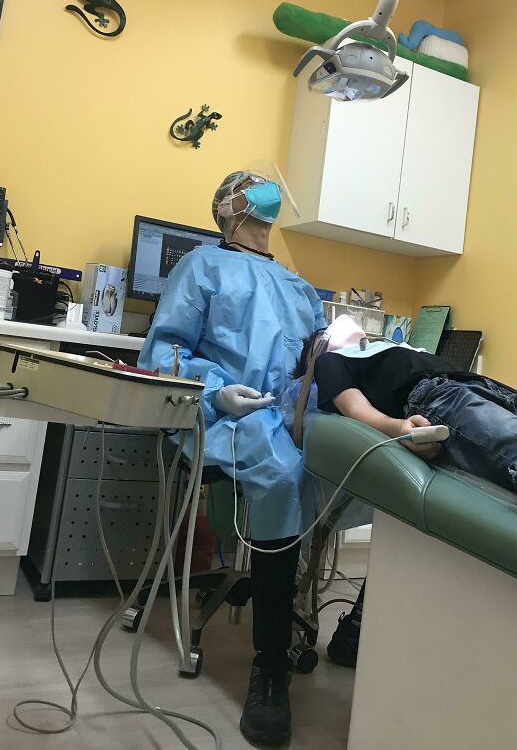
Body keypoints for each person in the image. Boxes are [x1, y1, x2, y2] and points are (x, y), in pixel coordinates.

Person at [292, 316, 517, 668]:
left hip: (499, 394)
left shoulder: (395, 349)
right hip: (439, 400)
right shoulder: (330, 360)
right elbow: (356, 409)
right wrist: (399, 428)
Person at [139, 170, 326, 746]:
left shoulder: (298, 286)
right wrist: (213, 389)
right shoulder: (200, 266)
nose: (270, 193)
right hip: (228, 414)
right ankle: (270, 665)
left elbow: (314, 363)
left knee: (360, 467)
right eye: (253, 186)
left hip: (291, 412)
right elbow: (166, 347)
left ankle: (351, 626)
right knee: (281, 474)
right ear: (228, 206)